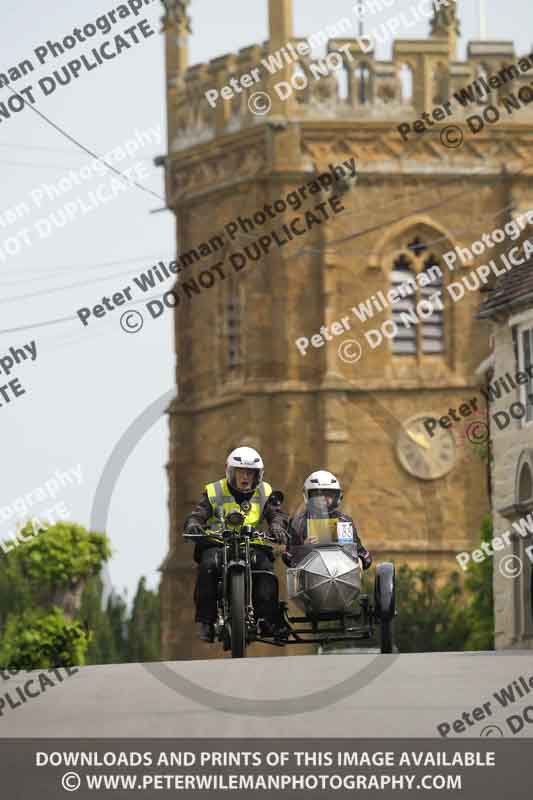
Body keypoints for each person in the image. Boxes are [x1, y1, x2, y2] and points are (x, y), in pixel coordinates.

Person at [183, 446, 288, 642]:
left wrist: (277, 526)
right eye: (240, 472)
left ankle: (266, 619)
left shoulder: (265, 491)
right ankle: (206, 621)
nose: (245, 477)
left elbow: (277, 514)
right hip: (219, 542)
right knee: (207, 566)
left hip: (253, 542)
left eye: (250, 472)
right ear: (230, 472)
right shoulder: (214, 490)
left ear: (258, 475)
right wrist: (194, 524)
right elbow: (199, 513)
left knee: (265, 569)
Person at [287, 470, 372, 569]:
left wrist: (360, 560)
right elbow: (288, 556)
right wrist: (304, 547)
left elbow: (364, 554)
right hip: (309, 577)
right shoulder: (298, 522)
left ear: (337, 497)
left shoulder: (344, 521)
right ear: (307, 495)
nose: (324, 499)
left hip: (342, 575)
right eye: (318, 494)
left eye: (329, 494)